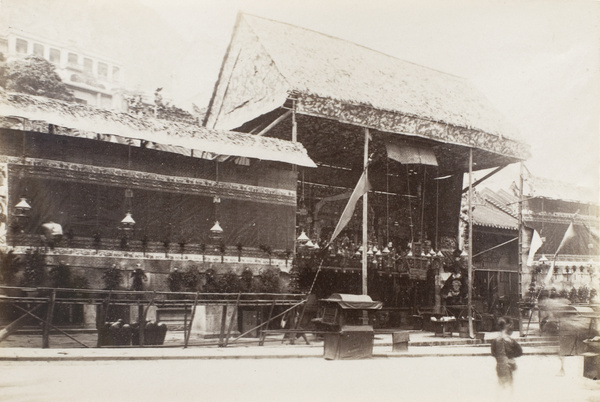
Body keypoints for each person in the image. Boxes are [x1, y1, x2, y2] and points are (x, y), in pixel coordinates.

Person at [490, 317, 523, 390]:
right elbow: (519, 352)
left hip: (499, 367)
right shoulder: (511, 341)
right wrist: (511, 357)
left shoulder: (495, 341)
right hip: (509, 367)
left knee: (501, 388)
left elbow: (493, 353)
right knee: (509, 388)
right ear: (508, 326)